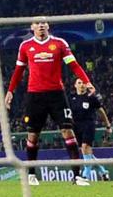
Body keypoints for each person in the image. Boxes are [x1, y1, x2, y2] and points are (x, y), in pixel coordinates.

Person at [5, 19, 93, 186]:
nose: (41, 25)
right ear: (32, 27)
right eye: (37, 23)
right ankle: (31, 174)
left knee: (68, 131)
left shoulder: (59, 44)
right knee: (33, 135)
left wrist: (86, 81)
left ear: (48, 26)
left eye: (44, 23)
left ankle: (77, 176)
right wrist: (10, 90)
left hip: (57, 95)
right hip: (35, 95)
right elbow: (19, 71)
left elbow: (73, 65)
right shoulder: (25, 46)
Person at [68, 78, 112, 181]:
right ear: (75, 85)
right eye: (79, 83)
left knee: (85, 147)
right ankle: (103, 172)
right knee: (87, 152)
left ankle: (85, 175)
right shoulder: (71, 98)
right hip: (76, 126)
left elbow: (101, 111)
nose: (82, 85)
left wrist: (108, 125)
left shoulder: (91, 98)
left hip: (88, 124)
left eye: (83, 83)